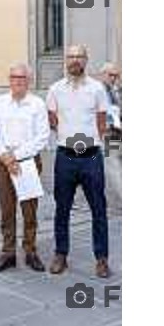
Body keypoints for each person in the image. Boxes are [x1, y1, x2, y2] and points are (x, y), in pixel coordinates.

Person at [46, 45, 111, 278]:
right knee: (62, 208)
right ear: (66, 60)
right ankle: (60, 254)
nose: (75, 61)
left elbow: (102, 121)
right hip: (65, 157)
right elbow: (52, 119)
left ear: (86, 59)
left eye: (79, 57)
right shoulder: (55, 89)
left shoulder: (97, 89)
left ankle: (102, 258)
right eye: (71, 57)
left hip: (91, 157)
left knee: (99, 209)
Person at [0, 64, 50, 273]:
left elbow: (42, 136)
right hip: (3, 162)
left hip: (28, 162)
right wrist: (5, 155)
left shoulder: (37, 104)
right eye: (14, 77)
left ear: (29, 80)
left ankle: (30, 251)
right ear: (9, 79)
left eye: (22, 77)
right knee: (7, 209)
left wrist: (16, 156)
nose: (18, 81)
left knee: (29, 210)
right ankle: (8, 252)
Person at [101, 62, 122, 139]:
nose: (113, 78)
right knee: (108, 150)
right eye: (110, 75)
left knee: (114, 151)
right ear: (103, 75)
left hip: (115, 131)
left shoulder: (114, 91)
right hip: (105, 131)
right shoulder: (97, 91)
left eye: (115, 76)